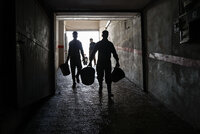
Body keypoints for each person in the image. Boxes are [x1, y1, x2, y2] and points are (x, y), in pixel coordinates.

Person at [89, 30, 120, 98]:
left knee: (101, 76)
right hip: (106, 63)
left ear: (102, 35)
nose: (105, 35)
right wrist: (117, 61)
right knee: (107, 77)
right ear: (106, 35)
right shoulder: (109, 44)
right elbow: (114, 53)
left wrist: (90, 62)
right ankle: (107, 91)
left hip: (101, 62)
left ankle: (102, 88)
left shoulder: (99, 43)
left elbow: (93, 53)